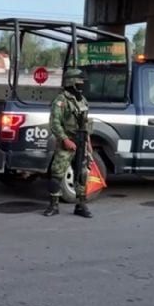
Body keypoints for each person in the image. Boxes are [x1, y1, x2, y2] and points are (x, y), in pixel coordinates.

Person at [43, 68, 93, 218]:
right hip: (67, 141)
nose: (82, 85)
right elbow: (55, 123)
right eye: (80, 83)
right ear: (72, 83)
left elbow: (86, 123)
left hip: (81, 141)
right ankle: (53, 205)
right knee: (57, 173)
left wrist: (88, 142)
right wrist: (65, 139)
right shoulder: (61, 100)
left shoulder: (82, 100)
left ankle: (81, 205)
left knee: (82, 173)